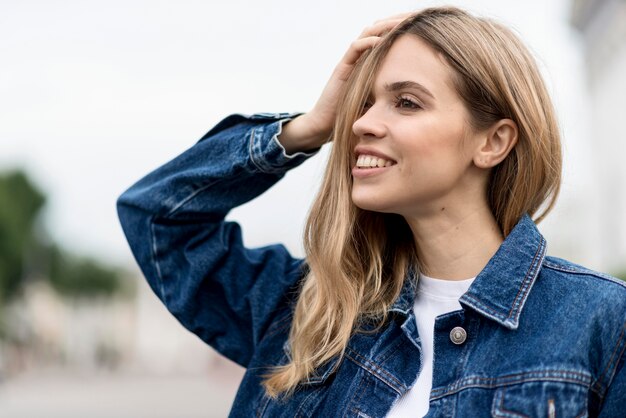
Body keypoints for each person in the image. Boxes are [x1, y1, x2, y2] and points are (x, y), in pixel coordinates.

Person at [117, 6, 626, 417]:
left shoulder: (599, 323)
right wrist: (307, 129)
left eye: (406, 102)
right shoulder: (308, 311)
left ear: (493, 142)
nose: (361, 124)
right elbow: (157, 218)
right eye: (364, 103)